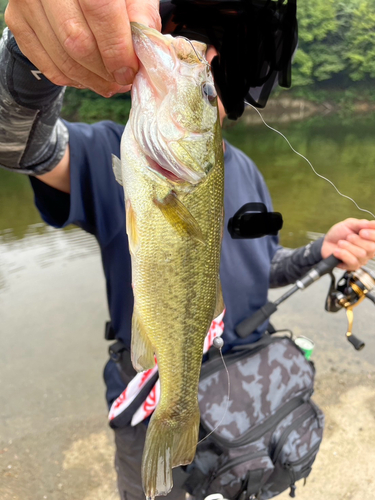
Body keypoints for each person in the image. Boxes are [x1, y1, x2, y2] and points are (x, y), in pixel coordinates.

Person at [1, 1, 375, 499]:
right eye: (192, 32)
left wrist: (319, 252)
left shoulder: (244, 171)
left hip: (249, 397)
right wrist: (33, 59)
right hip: (157, 389)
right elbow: (21, 147)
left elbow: (263, 268)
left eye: (225, 50)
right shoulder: (110, 151)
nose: (208, 53)